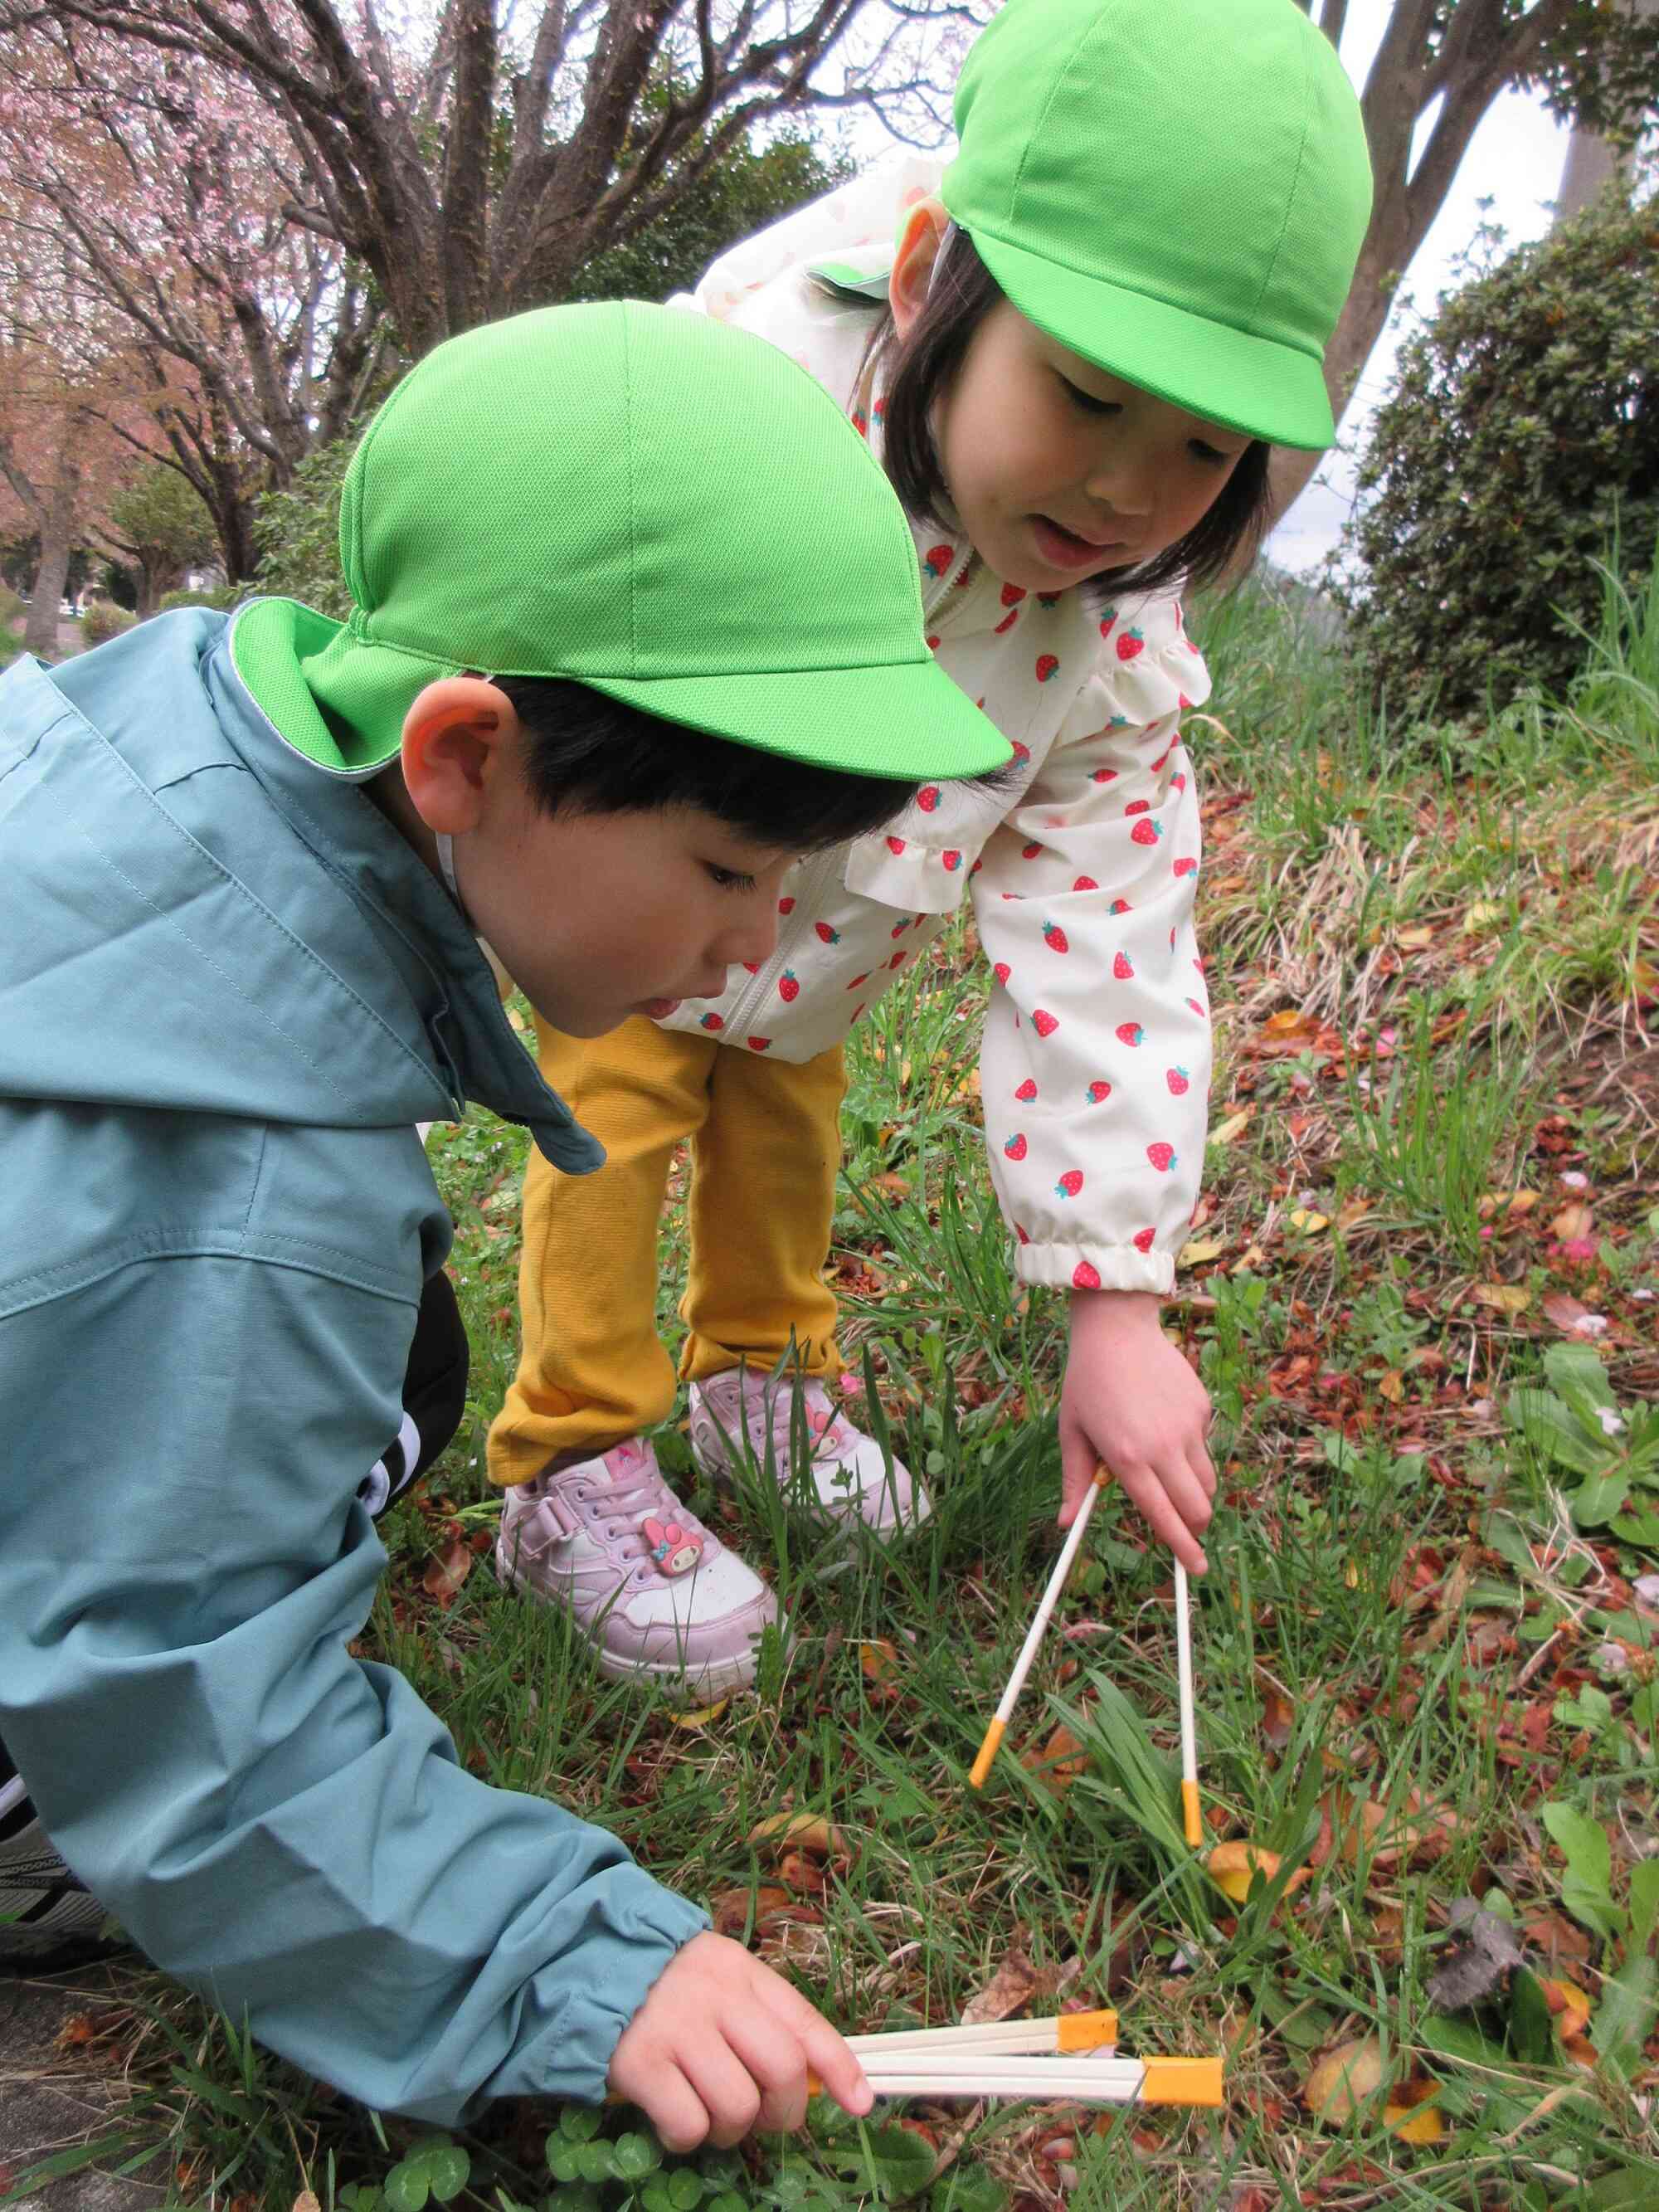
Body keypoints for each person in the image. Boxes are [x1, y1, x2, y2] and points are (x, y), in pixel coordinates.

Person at [0, 301, 1009, 2140]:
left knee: (410, 1353)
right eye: (725, 868)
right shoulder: (241, 1202)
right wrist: (566, 1959)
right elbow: (185, 1689)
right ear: (463, 755)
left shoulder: (154, 731)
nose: (755, 942)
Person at [489, 0, 1374, 1688]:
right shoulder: (741, 421)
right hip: (653, 903)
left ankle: (759, 1371)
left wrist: (1116, 1299)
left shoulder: (1110, 650)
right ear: (924, 291)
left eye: (1203, 449)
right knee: (618, 1106)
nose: (1126, 489)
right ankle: (572, 1453)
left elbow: (1108, 942)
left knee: (784, 1106)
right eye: (1089, 394)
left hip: (825, 949)